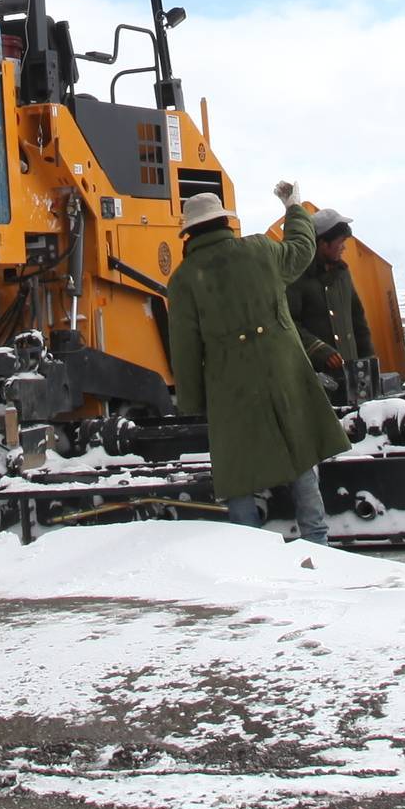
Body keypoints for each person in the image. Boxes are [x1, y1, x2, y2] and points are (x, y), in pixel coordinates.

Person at [165, 178, 346, 542]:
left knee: (239, 471)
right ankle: (319, 544)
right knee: (300, 455)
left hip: (229, 386)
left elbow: (184, 350)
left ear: (189, 233)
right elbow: (301, 248)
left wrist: (193, 402)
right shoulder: (260, 251)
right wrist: (294, 209)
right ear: (225, 223)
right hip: (283, 372)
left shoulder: (184, 280)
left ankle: (249, 552)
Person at [287, 208, 380, 403]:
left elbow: (357, 320)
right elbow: (288, 322)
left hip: (352, 379)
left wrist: (368, 359)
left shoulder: (343, 274)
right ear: (322, 244)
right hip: (315, 384)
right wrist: (318, 349)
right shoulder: (296, 278)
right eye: (340, 243)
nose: (343, 248)